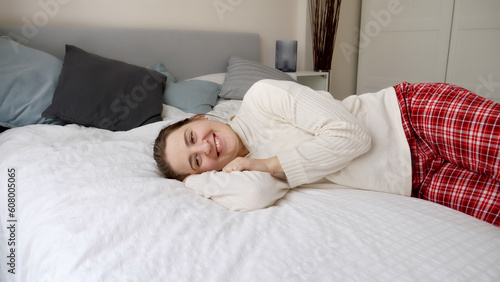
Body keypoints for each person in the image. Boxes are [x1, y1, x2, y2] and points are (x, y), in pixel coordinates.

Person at [154, 79, 500, 226]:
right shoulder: (250, 173)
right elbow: (256, 193)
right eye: (196, 161)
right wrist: (192, 182)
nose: (205, 147)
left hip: (412, 117)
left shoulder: (262, 97)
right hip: (414, 180)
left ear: (199, 118)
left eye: (191, 137)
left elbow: (352, 136)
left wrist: (268, 163)